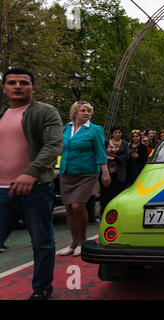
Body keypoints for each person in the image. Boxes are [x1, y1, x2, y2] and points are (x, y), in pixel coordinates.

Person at [0, 68, 63, 300]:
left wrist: (31, 172)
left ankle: (42, 288)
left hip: (35, 188)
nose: (18, 86)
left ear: (33, 88)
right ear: (4, 87)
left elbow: (54, 145)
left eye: (24, 83)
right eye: (12, 83)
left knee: (41, 240)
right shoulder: (2, 116)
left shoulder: (45, 112)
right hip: (2, 191)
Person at [57, 101, 110, 257]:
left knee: (77, 207)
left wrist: (105, 172)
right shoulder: (65, 129)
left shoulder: (95, 130)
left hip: (86, 173)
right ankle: (73, 243)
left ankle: (82, 241)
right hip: (66, 172)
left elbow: (100, 152)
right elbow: (58, 148)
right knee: (68, 208)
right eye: (83, 111)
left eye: (88, 111)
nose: (87, 113)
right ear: (75, 112)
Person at [100, 126, 129, 215]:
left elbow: (126, 157)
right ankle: (104, 212)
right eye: (115, 132)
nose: (117, 134)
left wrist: (114, 158)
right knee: (105, 194)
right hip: (106, 171)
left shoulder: (124, 144)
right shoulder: (106, 143)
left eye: (119, 132)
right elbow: (101, 153)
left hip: (118, 172)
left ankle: (116, 212)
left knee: (116, 193)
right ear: (112, 133)